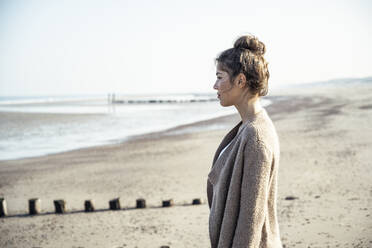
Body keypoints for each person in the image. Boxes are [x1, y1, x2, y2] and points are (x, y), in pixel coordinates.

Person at [207, 34, 283, 248]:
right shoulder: (248, 127)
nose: (215, 85)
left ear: (240, 80)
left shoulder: (256, 135)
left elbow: (251, 219)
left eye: (220, 77)